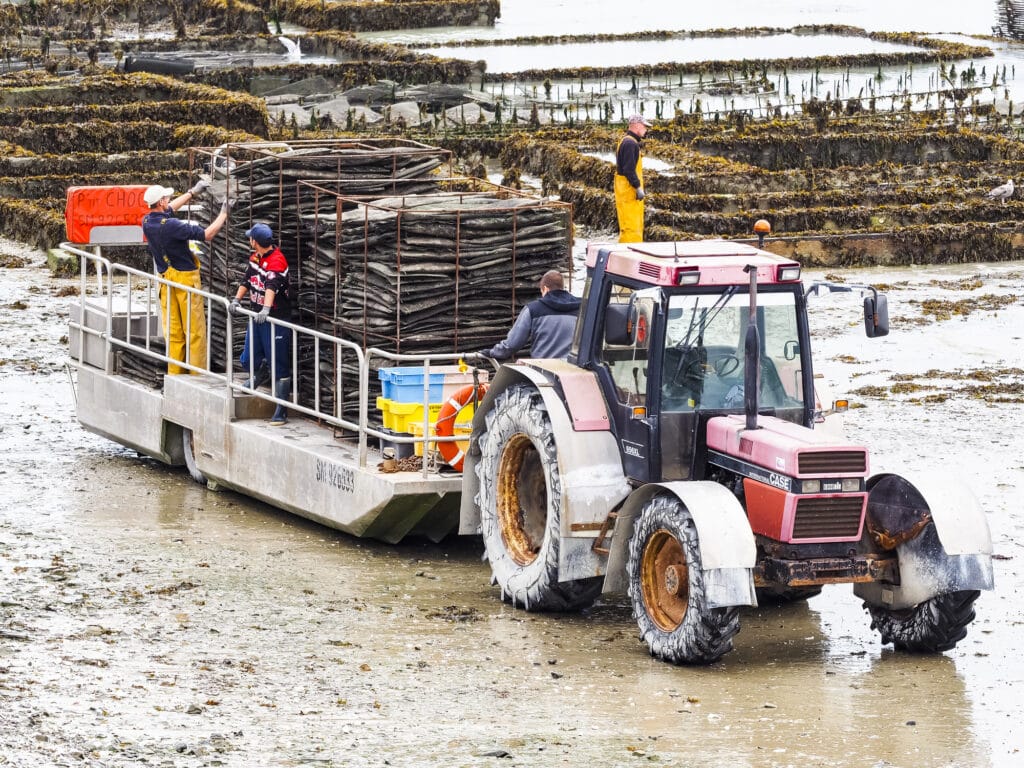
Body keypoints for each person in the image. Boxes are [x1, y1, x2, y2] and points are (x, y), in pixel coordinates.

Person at [142, 180, 230, 374]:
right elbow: (208, 234)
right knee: (194, 330)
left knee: (173, 330)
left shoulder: (147, 221)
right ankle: (196, 374)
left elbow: (169, 210)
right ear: (161, 202)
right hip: (185, 281)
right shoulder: (173, 226)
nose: (169, 200)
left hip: (165, 281)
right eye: (167, 198)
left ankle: (175, 372)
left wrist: (192, 193)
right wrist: (224, 212)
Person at [229, 222, 292, 426]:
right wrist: (236, 300)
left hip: (275, 319)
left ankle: (281, 410)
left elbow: (272, 286)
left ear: (255, 241)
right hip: (256, 317)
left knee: (280, 365)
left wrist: (266, 309)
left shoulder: (277, 260)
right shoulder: (255, 257)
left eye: (251, 237)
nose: (249, 240)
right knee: (248, 358)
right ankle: (261, 372)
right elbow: (247, 279)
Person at [482, 270, 580, 361]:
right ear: (562, 287)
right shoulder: (582, 309)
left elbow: (512, 344)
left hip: (543, 370)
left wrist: (493, 352)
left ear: (545, 289)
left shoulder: (533, 309)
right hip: (573, 370)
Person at [614, 113, 652, 243]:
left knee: (629, 227)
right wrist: (637, 187)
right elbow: (629, 170)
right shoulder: (631, 144)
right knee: (631, 229)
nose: (646, 130)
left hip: (626, 193)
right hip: (629, 194)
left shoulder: (626, 141)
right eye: (644, 126)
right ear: (637, 126)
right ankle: (628, 256)